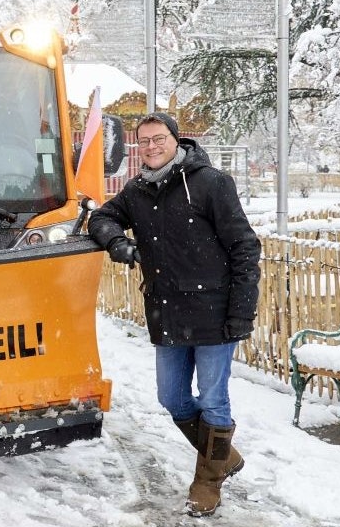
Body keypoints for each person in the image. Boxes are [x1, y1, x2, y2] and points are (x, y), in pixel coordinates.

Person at [87, 112, 261, 517]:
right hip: (166, 312)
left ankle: (207, 482)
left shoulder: (211, 183)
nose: (151, 146)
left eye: (158, 138)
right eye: (143, 141)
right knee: (172, 397)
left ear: (176, 140)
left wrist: (241, 312)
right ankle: (225, 456)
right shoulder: (136, 191)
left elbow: (244, 248)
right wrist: (119, 244)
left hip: (215, 313)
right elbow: (101, 217)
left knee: (214, 400)